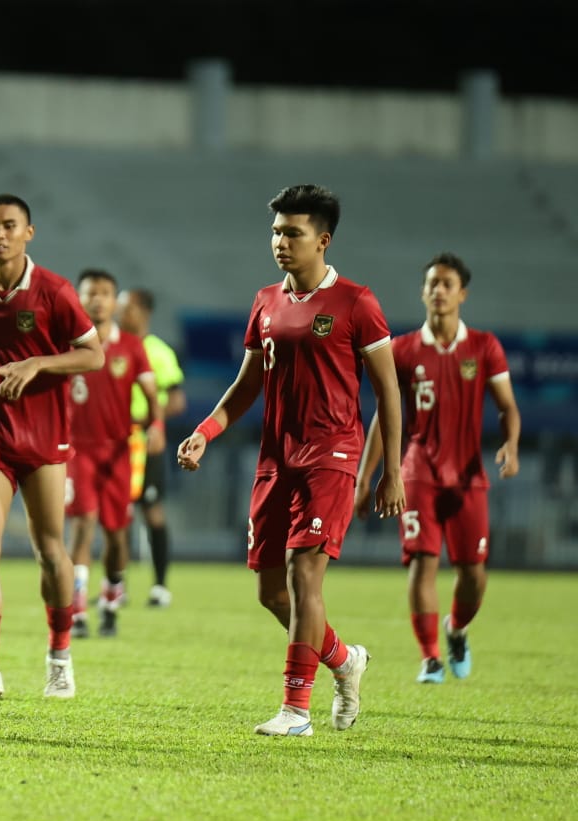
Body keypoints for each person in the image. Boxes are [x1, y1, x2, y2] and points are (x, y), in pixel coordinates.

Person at [176, 184, 404, 737]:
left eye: (292, 233)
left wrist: (389, 470)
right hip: (276, 459)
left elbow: (388, 392)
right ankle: (345, 661)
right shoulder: (265, 301)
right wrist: (207, 430)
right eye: (276, 231)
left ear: (322, 240)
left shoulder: (356, 302)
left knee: (306, 578)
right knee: (271, 592)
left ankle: (295, 709)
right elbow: (246, 384)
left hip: (333, 456)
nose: (280, 241)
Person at [0, 194, 105, 699]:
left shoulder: (55, 292)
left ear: (28, 233)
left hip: (43, 438)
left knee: (49, 549)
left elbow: (93, 355)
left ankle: (60, 653)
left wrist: (37, 363)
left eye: (8, 225)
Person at [354, 252, 521, 684]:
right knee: (422, 564)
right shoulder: (403, 350)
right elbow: (382, 417)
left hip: (467, 478)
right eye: (432, 283)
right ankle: (429, 657)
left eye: (447, 284)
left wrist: (512, 444)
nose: (439, 290)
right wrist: (365, 477)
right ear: (424, 292)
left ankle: (456, 629)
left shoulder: (483, 347)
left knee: (473, 575)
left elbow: (507, 409)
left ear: (462, 293)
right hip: (418, 474)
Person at [65, 269, 160, 638]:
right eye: (90, 293)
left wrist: (155, 426)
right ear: (80, 297)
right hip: (78, 451)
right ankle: (78, 612)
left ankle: (109, 597)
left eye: (105, 293)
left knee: (117, 533)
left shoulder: (132, 346)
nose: (97, 299)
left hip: (119, 451)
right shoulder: (69, 344)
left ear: (114, 300)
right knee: (83, 524)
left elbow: (151, 394)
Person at [119, 288, 188, 608]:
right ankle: (115, 587)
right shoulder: (111, 347)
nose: (121, 313)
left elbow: (176, 400)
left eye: (126, 307)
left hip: (145, 440)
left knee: (152, 510)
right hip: (113, 442)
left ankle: (160, 585)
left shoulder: (157, 352)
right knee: (114, 515)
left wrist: (143, 418)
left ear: (143, 311)